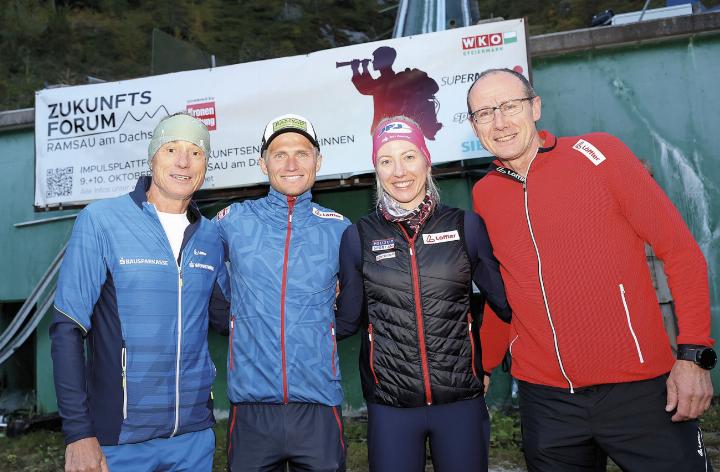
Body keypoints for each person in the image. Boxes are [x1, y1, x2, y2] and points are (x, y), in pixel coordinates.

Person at [468, 68, 715, 472]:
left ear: (535, 108)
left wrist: (693, 357)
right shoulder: (485, 194)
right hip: (546, 403)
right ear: (474, 125)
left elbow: (682, 252)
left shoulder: (600, 154)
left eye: (509, 106)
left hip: (639, 390)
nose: (499, 122)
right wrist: (482, 365)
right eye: (484, 113)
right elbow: (504, 294)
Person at [50, 113, 230, 472]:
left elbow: (232, 320)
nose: (183, 161)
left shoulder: (211, 236)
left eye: (196, 152)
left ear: (205, 165)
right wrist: (78, 433)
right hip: (119, 440)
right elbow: (67, 329)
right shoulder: (102, 220)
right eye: (172, 149)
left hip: (192, 439)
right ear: (152, 158)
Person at [335, 115, 511, 471]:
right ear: (376, 171)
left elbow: (507, 303)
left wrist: (486, 362)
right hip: (391, 405)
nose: (399, 171)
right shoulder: (358, 237)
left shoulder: (465, 226)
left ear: (427, 161)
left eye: (409, 156)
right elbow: (346, 322)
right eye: (386, 161)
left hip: (459, 400)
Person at [215, 114, 349, 472]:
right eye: (279, 154)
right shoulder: (231, 223)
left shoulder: (340, 230)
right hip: (252, 408)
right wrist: (238, 324)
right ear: (263, 163)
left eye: (302, 153)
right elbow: (206, 288)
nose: (291, 164)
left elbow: (353, 307)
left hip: (318, 405)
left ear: (318, 162)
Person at [349, 46, 442, 139]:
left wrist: (357, 69)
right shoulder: (392, 79)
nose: (373, 62)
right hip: (398, 129)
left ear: (383, 61)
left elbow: (366, 87)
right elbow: (369, 86)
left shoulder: (388, 81)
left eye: (375, 59)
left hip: (390, 130)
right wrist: (362, 69)